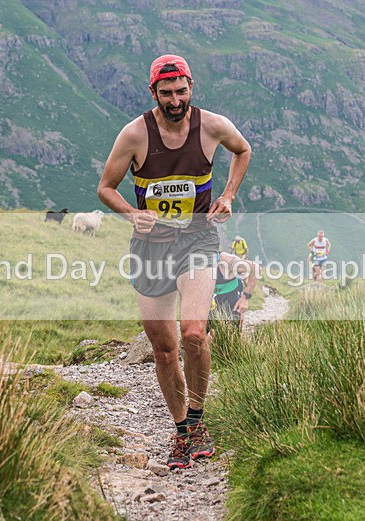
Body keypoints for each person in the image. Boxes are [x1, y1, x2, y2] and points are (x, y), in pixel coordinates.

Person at [97, 54, 251, 469]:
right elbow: (105, 188)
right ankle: (182, 430)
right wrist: (132, 213)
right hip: (151, 248)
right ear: (154, 93)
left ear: (191, 88)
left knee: (194, 332)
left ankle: (199, 422)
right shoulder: (134, 135)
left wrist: (229, 195)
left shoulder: (213, 126)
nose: (175, 100)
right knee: (164, 350)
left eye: (181, 91)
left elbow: (243, 150)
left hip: (198, 239)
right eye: (166, 93)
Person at [209, 251, 261, 332]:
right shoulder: (191, 261)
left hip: (230, 300)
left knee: (232, 334)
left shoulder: (225, 259)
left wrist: (245, 297)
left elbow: (256, 269)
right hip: (208, 306)